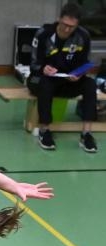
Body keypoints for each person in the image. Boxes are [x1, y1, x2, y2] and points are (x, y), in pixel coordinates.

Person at [27, 2, 98, 152]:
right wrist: (43, 68)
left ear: (77, 25)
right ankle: (44, 130)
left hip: (68, 81)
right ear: (59, 19)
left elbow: (85, 63)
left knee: (90, 84)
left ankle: (86, 134)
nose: (66, 29)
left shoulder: (83, 36)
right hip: (42, 79)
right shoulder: (43, 34)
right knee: (45, 84)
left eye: (71, 27)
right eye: (64, 24)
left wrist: (78, 74)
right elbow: (33, 64)